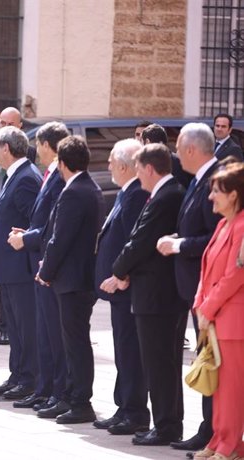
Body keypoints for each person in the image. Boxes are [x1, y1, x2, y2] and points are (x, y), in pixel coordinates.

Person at [107, 143, 189, 446]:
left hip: (158, 296)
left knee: (160, 363)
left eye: (139, 169)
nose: (137, 175)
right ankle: (167, 423)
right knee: (161, 363)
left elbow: (140, 241)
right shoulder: (164, 194)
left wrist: (118, 271)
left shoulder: (167, 196)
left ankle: (167, 425)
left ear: (150, 169)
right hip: (154, 294)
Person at [157, 122, 221, 452]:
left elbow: (217, 238)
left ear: (192, 150)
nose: (176, 155)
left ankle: (212, 430)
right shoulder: (198, 179)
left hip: (209, 289)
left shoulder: (216, 181)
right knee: (204, 359)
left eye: (179, 148)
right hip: (194, 288)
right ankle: (209, 427)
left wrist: (180, 245)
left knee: (210, 361)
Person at [36, 135, 104, 424]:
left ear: (62, 163)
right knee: (74, 342)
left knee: (74, 343)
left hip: (73, 280)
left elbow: (59, 239)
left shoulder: (74, 192)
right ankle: (72, 398)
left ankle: (79, 402)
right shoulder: (89, 187)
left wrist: (45, 272)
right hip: (79, 278)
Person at [8, 121, 69, 411]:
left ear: (46, 145)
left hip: (50, 263)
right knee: (44, 334)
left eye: (39, 145)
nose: (37, 150)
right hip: (40, 260)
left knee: (54, 336)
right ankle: (44, 390)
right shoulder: (49, 173)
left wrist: (28, 238)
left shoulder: (60, 176)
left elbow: (52, 226)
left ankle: (58, 392)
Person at [94, 139, 150, 435]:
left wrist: (122, 274)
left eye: (112, 162)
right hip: (119, 289)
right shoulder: (125, 192)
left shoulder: (137, 194)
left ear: (125, 166)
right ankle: (124, 407)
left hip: (127, 288)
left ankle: (135, 412)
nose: (108, 167)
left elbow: (134, 240)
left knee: (130, 351)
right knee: (123, 350)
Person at [192, 162, 244, 460]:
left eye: (217, 191)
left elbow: (235, 275)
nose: (211, 196)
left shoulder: (241, 226)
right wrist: (200, 302)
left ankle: (231, 445)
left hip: (232, 320)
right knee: (220, 388)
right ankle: (220, 438)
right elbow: (208, 269)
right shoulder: (224, 224)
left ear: (234, 195)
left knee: (232, 388)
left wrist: (208, 307)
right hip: (214, 318)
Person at [0, 126, 41, 400]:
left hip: (20, 266)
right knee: (15, 327)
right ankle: (17, 375)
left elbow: (36, 221)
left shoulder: (27, 178)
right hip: (8, 267)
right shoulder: (13, 175)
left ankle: (29, 378)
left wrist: (24, 238)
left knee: (25, 325)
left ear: (6, 148)